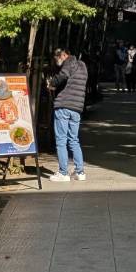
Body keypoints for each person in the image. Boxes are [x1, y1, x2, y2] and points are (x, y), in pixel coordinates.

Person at [47, 47, 87, 182]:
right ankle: (80, 172)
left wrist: (52, 83)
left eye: (57, 58)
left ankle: (63, 173)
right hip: (77, 107)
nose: (57, 62)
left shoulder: (68, 62)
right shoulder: (82, 66)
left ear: (63, 55)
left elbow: (63, 76)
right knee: (74, 139)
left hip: (64, 105)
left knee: (61, 140)